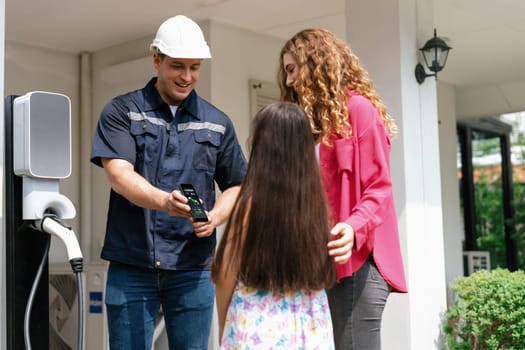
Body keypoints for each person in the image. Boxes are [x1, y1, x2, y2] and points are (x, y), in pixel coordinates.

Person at [90, 15, 247, 349]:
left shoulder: (218, 123)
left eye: (194, 67)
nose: (187, 77)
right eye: (178, 66)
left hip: (192, 267)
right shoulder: (122, 112)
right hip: (132, 264)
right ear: (156, 60)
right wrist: (163, 202)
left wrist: (215, 217)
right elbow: (119, 175)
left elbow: (238, 184)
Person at [278, 28, 408, 350]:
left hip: (360, 265)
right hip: (324, 266)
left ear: (315, 64)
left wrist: (352, 227)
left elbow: (380, 188)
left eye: (293, 69)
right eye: (286, 72)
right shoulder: (314, 127)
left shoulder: (360, 111)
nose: (289, 81)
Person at [211, 102, 337, 349]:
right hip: (310, 325)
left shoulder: (249, 205)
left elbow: (226, 273)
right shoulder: (316, 205)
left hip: (257, 325)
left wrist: (225, 325)